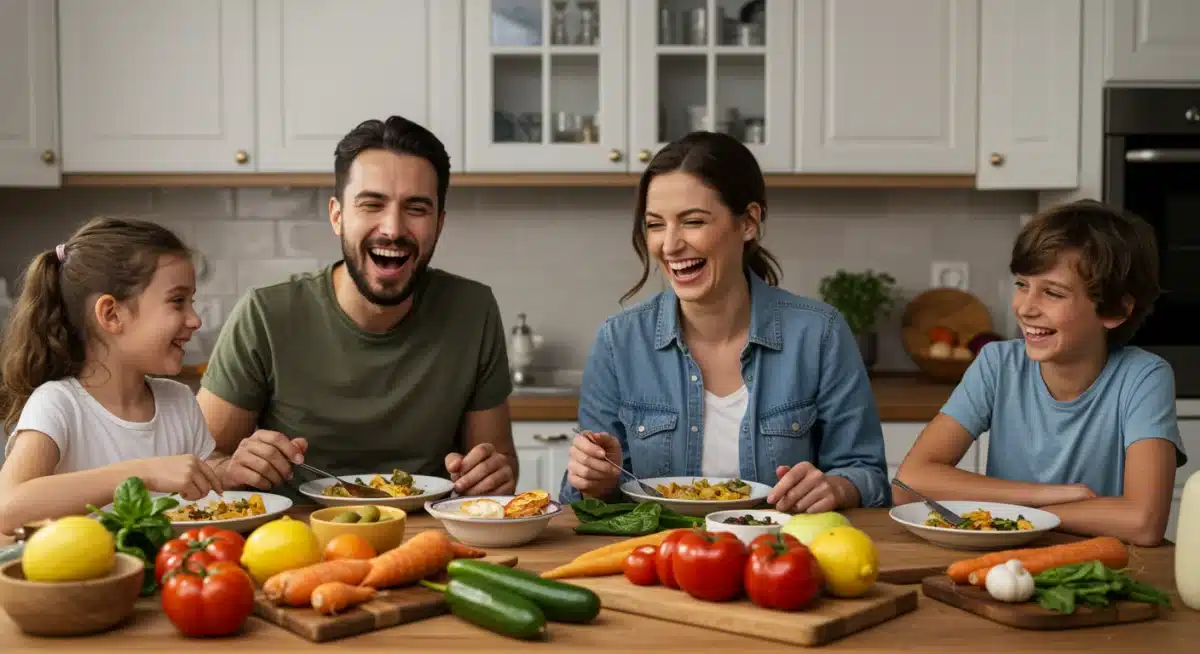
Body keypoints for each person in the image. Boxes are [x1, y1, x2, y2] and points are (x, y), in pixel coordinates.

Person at [561, 131, 890, 513]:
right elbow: (582, 502)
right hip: (657, 561)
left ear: (749, 222)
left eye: (693, 221)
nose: (669, 245)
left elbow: (869, 475)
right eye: (655, 225)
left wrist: (837, 487)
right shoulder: (618, 342)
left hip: (779, 557)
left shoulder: (820, 335)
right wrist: (596, 482)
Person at [198, 116, 518, 498]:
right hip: (296, 540)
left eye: (416, 208)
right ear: (337, 216)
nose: (393, 228)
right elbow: (200, 462)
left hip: (429, 539)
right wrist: (232, 468)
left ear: (439, 223)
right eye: (372, 204)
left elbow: (498, 462)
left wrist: (491, 474)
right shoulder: (265, 315)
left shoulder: (473, 310)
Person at [893, 200, 1185, 547]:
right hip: (1003, 560)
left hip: (1099, 568)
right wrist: (1049, 495)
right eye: (1021, 284)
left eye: (1052, 293)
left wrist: (1017, 510)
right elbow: (909, 484)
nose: (1025, 307)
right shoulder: (998, 364)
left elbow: (1144, 521)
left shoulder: (1143, 377)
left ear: (1116, 309)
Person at [0, 218, 222, 535]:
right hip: (84, 581)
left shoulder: (179, 401)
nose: (195, 319)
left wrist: (232, 470)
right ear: (112, 314)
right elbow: (7, 509)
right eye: (177, 301)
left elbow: (210, 496)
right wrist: (142, 473)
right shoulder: (59, 404)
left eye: (192, 301)